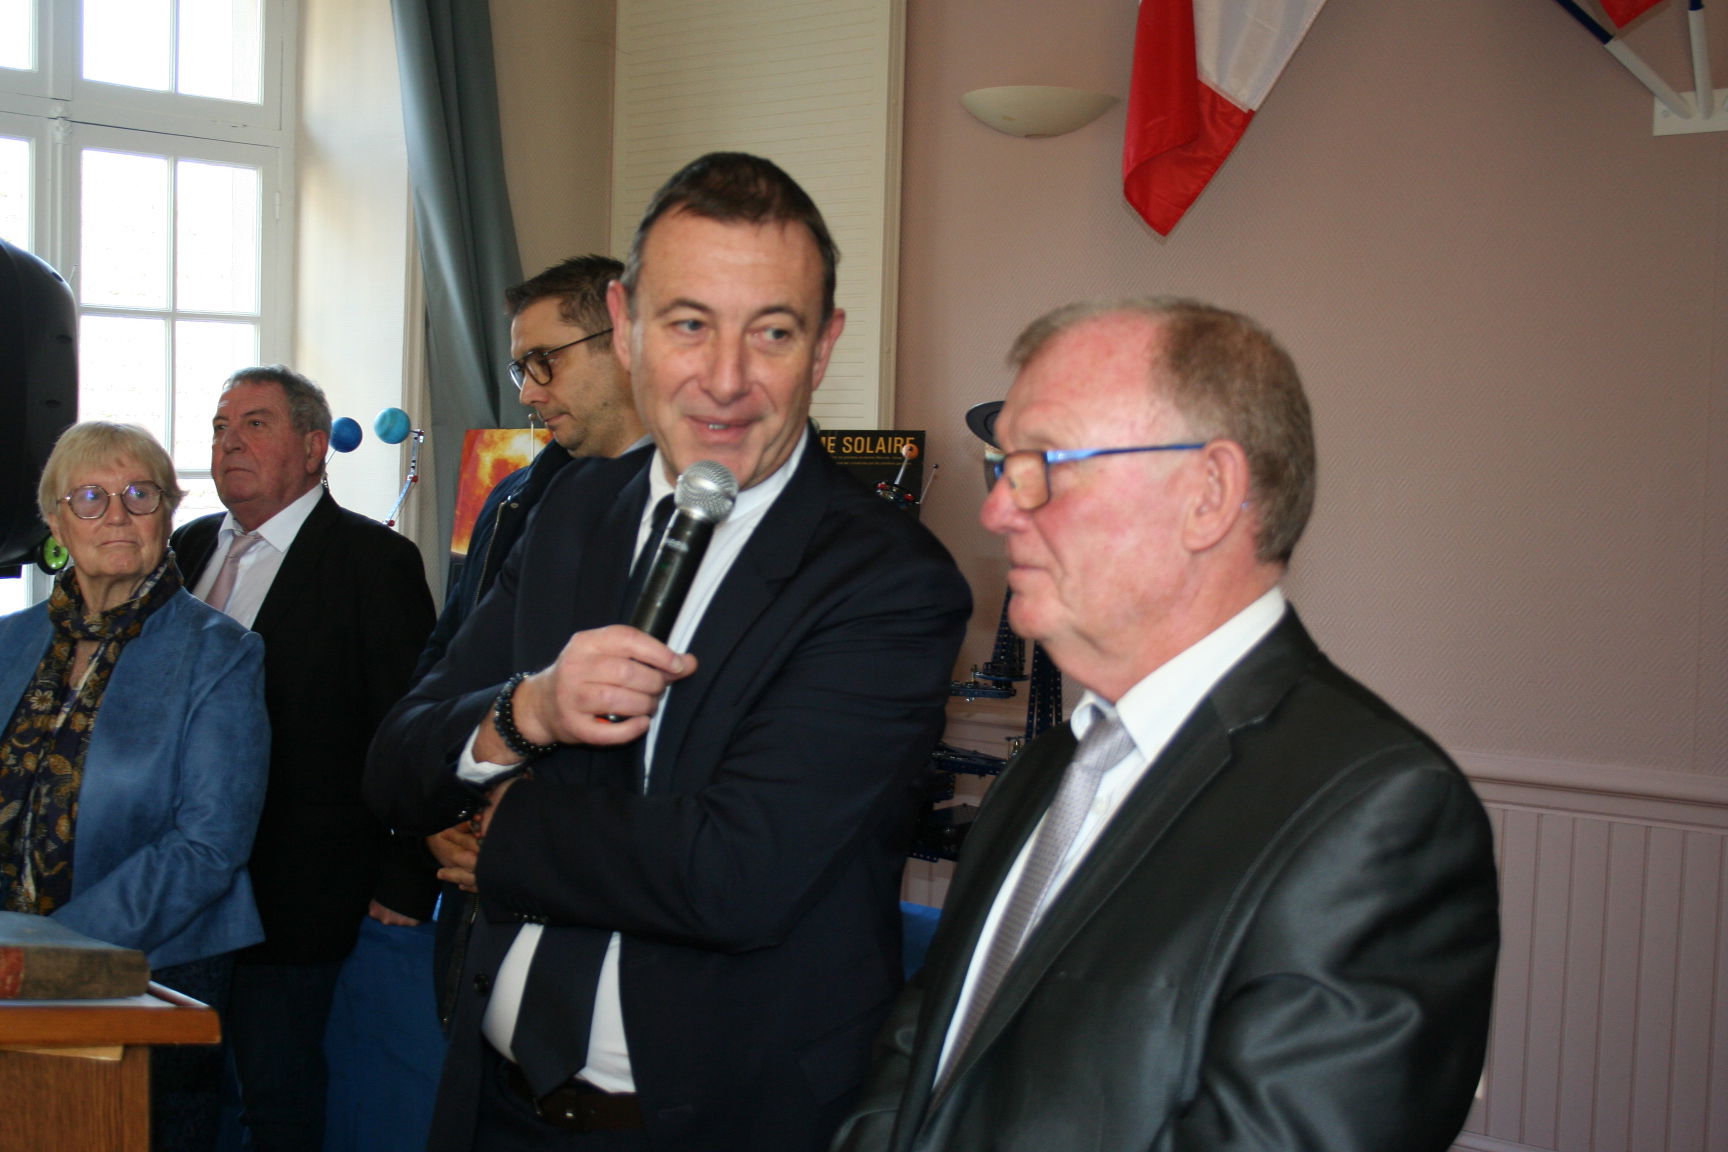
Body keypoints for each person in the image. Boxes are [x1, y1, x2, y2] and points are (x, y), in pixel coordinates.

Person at [365, 152, 972, 1152]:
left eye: (772, 332)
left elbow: (733, 874)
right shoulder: (568, 512)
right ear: (627, 325)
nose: (725, 380)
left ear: (824, 347)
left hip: (714, 1123)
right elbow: (397, 762)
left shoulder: (889, 580)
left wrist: (502, 832)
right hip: (493, 1104)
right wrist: (523, 713)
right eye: (689, 324)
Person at [832, 298, 1501, 1152]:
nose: (997, 511)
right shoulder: (1051, 768)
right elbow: (923, 1045)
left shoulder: (1376, 817)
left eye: (1043, 464)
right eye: (1003, 466)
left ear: (1208, 495)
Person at [170, 366, 436, 1152]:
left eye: (255, 425)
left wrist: (407, 874)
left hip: (298, 894)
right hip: (176, 892)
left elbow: (407, 728)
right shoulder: (186, 549)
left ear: (315, 447)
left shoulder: (373, 562)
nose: (229, 443)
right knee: (178, 1096)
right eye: (220, 428)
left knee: (278, 1099)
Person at [0, 421, 268, 1151]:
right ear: (56, 521)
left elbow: (209, 846)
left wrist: (53, 951)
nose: (116, 515)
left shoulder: (222, 653)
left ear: (168, 514)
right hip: (8, 980)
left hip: (154, 976)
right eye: (90, 497)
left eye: (139, 495)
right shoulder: (10, 641)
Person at [420, 254, 649, 1025]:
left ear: (622, 340)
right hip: (473, 892)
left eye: (544, 361)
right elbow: (447, 666)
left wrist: (522, 845)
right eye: (521, 367)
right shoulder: (513, 496)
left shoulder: (701, 516)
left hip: (602, 914)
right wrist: (442, 801)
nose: (527, 392)